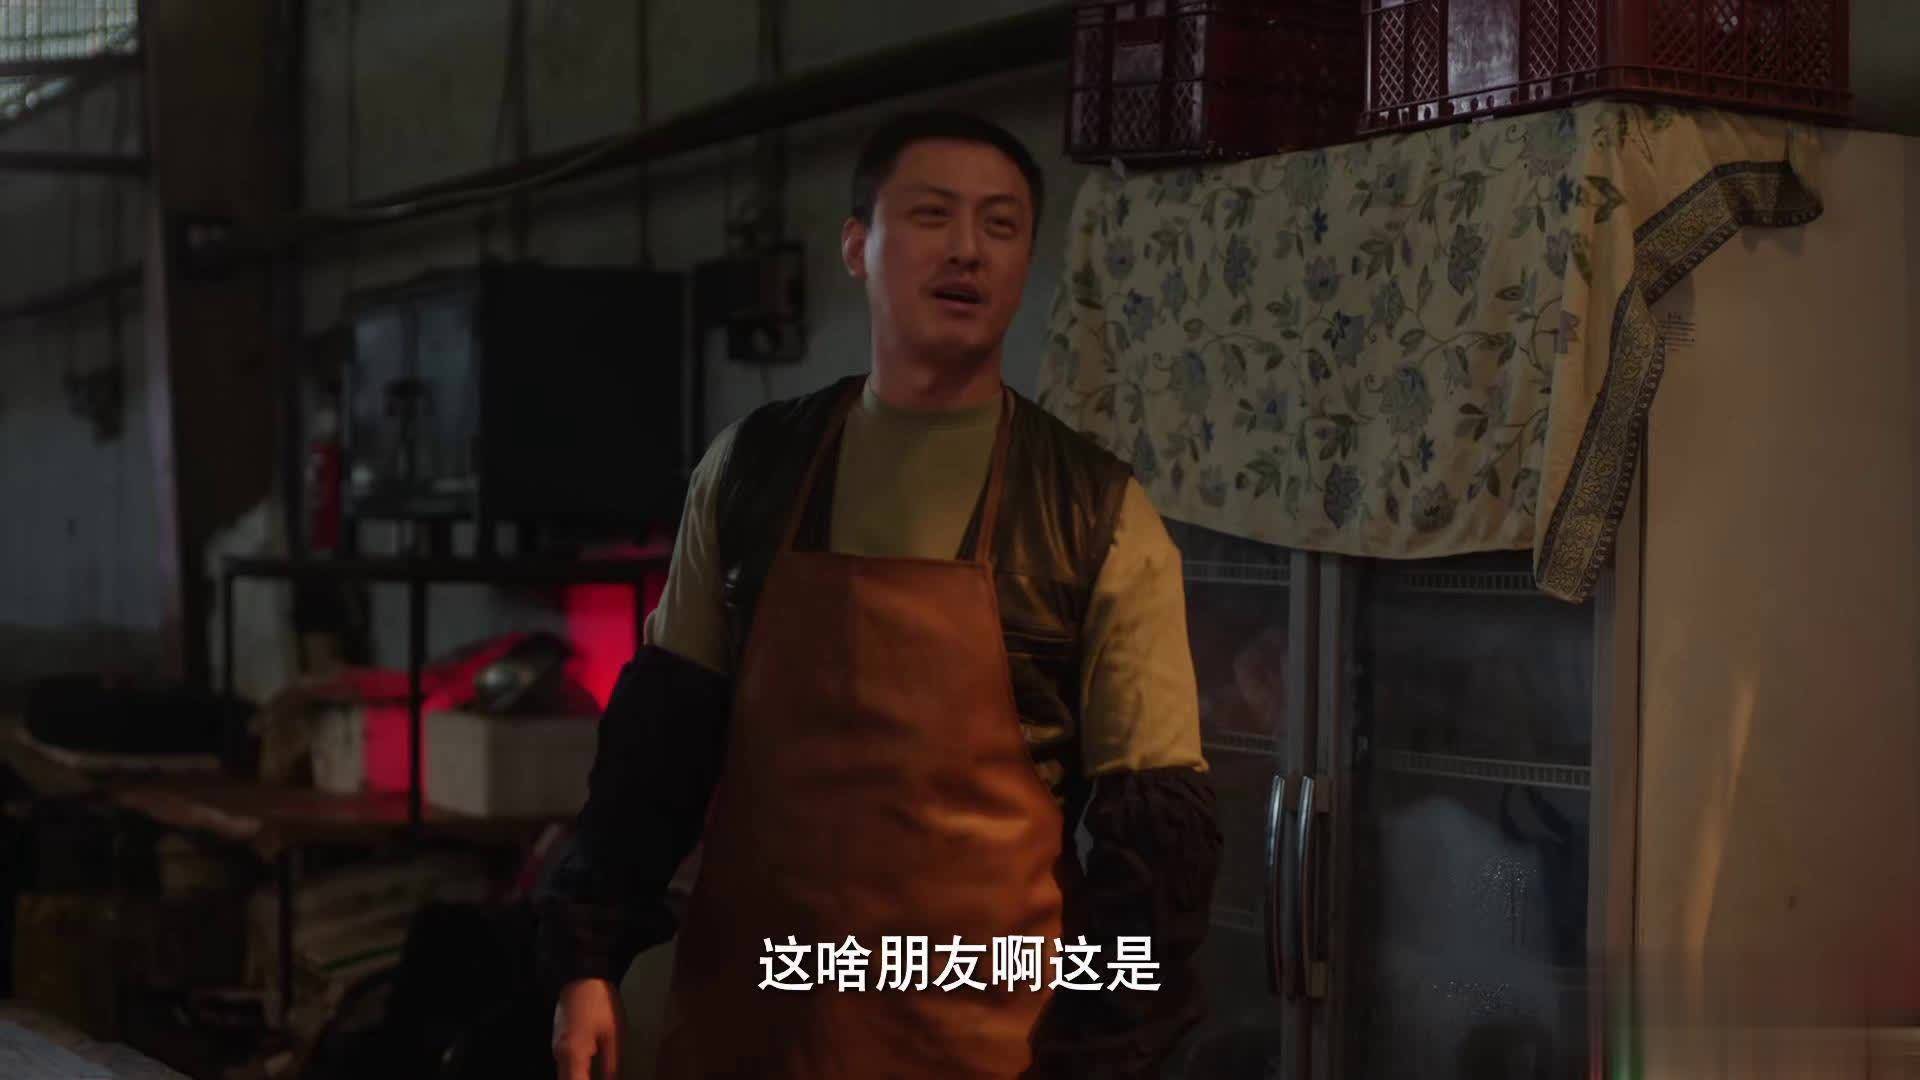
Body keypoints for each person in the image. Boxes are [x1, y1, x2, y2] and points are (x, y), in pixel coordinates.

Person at [537, 110, 1220, 1080]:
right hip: (752, 1025)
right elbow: (657, 750)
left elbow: (1154, 849)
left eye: (1001, 225)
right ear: (857, 247)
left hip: (992, 1045)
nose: (968, 250)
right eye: (934, 215)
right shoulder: (750, 471)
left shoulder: (1096, 511)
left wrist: (1100, 1057)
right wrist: (587, 959)